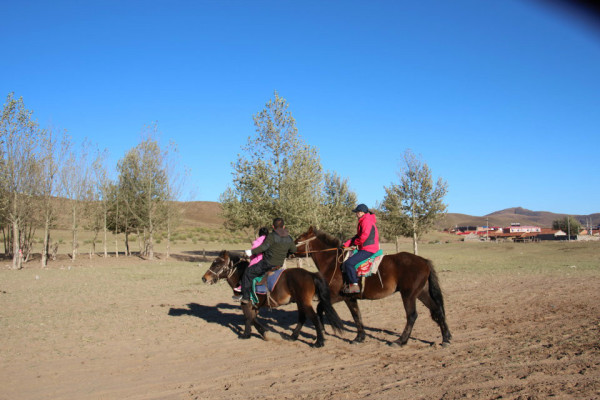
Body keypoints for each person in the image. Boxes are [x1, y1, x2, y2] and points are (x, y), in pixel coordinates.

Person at [240, 218, 297, 305]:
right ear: (284, 226)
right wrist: (286, 254)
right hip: (279, 265)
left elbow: (263, 247)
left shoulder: (272, 236)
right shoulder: (289, 237)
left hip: (267, 264)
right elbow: (293, 250)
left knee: (248, 272)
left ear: (273, 226)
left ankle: (246, 297)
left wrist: (250, 252)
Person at [341, 204, 380, 294]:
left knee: (349, 263)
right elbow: (357, 236)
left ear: (362, 212)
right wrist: (345, 245)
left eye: (357, 212)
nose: (356, 214)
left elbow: (364, 236)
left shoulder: (366, 221)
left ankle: (354, 286)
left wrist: (355, 243)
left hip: (369, 249)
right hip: (365, 247)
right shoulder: (364, 220)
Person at [232, 227, 269, 301]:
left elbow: (254, 250)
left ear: (259, 233)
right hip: (269, 261)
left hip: (258, 260)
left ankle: (243, 291)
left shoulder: (258, 240)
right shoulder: (270, 240)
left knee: (247, 273)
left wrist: (250, 256)